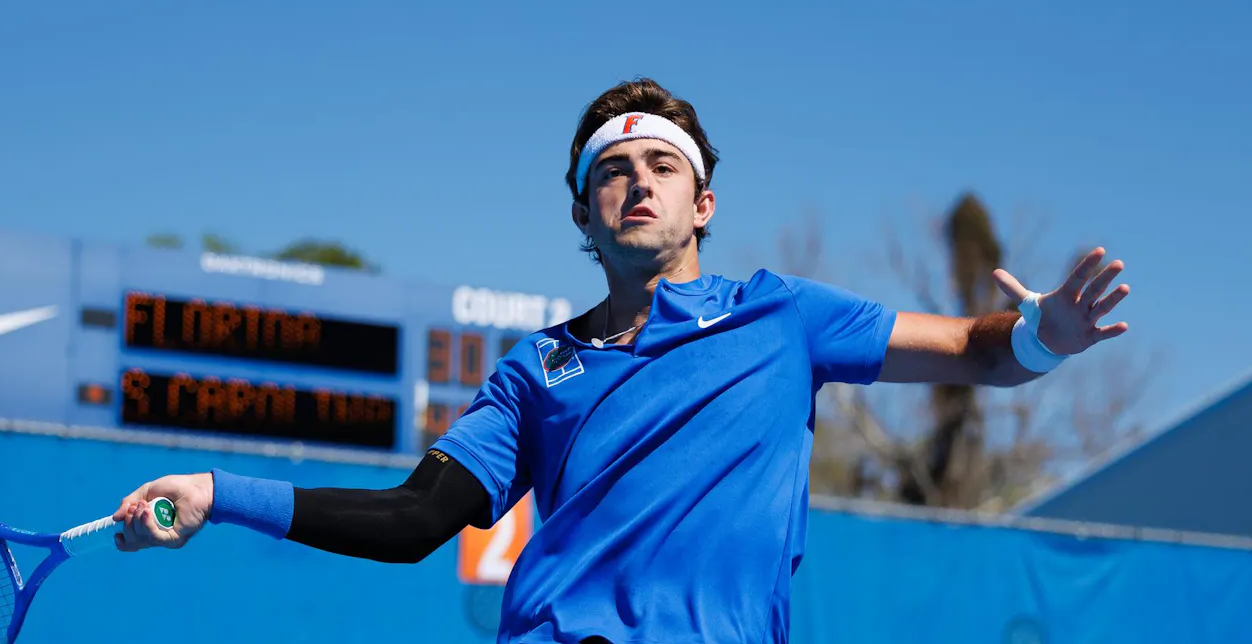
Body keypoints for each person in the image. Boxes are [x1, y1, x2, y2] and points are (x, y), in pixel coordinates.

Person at [111, 79, 1132, 643]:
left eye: (659, 166)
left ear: (704, 205)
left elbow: (968, 351)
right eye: (611, 171)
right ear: (584, 217)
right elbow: (414, 519)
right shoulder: (533, 373)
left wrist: (1047, 335)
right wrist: (218, 490)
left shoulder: (784, 318)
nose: (636, 182)